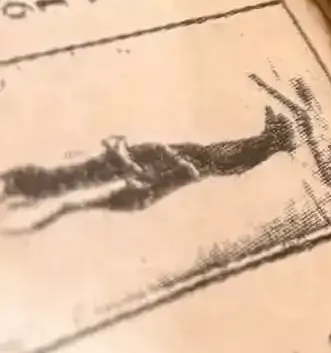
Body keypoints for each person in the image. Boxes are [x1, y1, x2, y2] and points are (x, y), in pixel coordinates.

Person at [0, 76, 313, 235]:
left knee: (205, 157)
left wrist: (127, 153)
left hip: (149, 165)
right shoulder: (74, 194)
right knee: (205, 163)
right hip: (148, 176)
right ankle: (272, 141)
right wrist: (130, 158)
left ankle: (268, 139)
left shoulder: (65, 179)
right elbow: (140, 184)